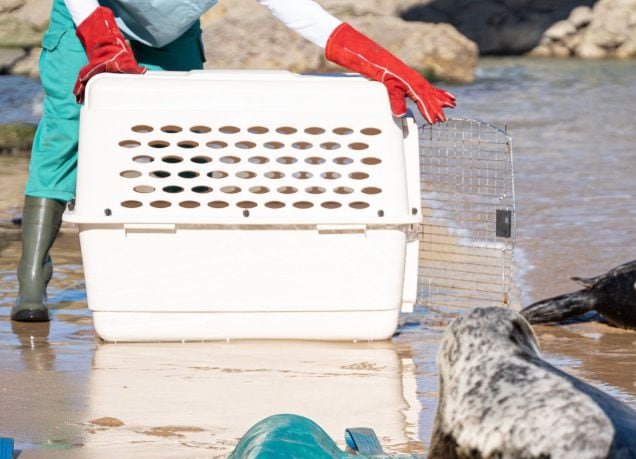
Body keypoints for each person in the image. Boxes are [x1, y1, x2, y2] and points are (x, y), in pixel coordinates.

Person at [11, 0, 456, 323]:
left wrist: (388, 67)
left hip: (170, 37)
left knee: (182, 143)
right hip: (86, 19)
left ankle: (182, 272)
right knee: (67, 129)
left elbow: (308, 17)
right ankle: (33, 276)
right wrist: (99, 36)